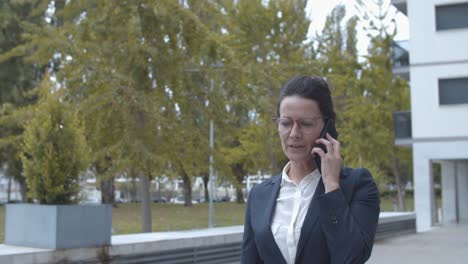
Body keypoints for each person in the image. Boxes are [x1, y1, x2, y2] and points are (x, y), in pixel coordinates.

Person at [241, 75, 380, 264]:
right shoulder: (259, 195)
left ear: (327, 128)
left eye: (306, 124)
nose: (294, 134)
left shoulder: (357, 185)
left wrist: (331, 185)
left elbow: (351, 258)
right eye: (285, 123)